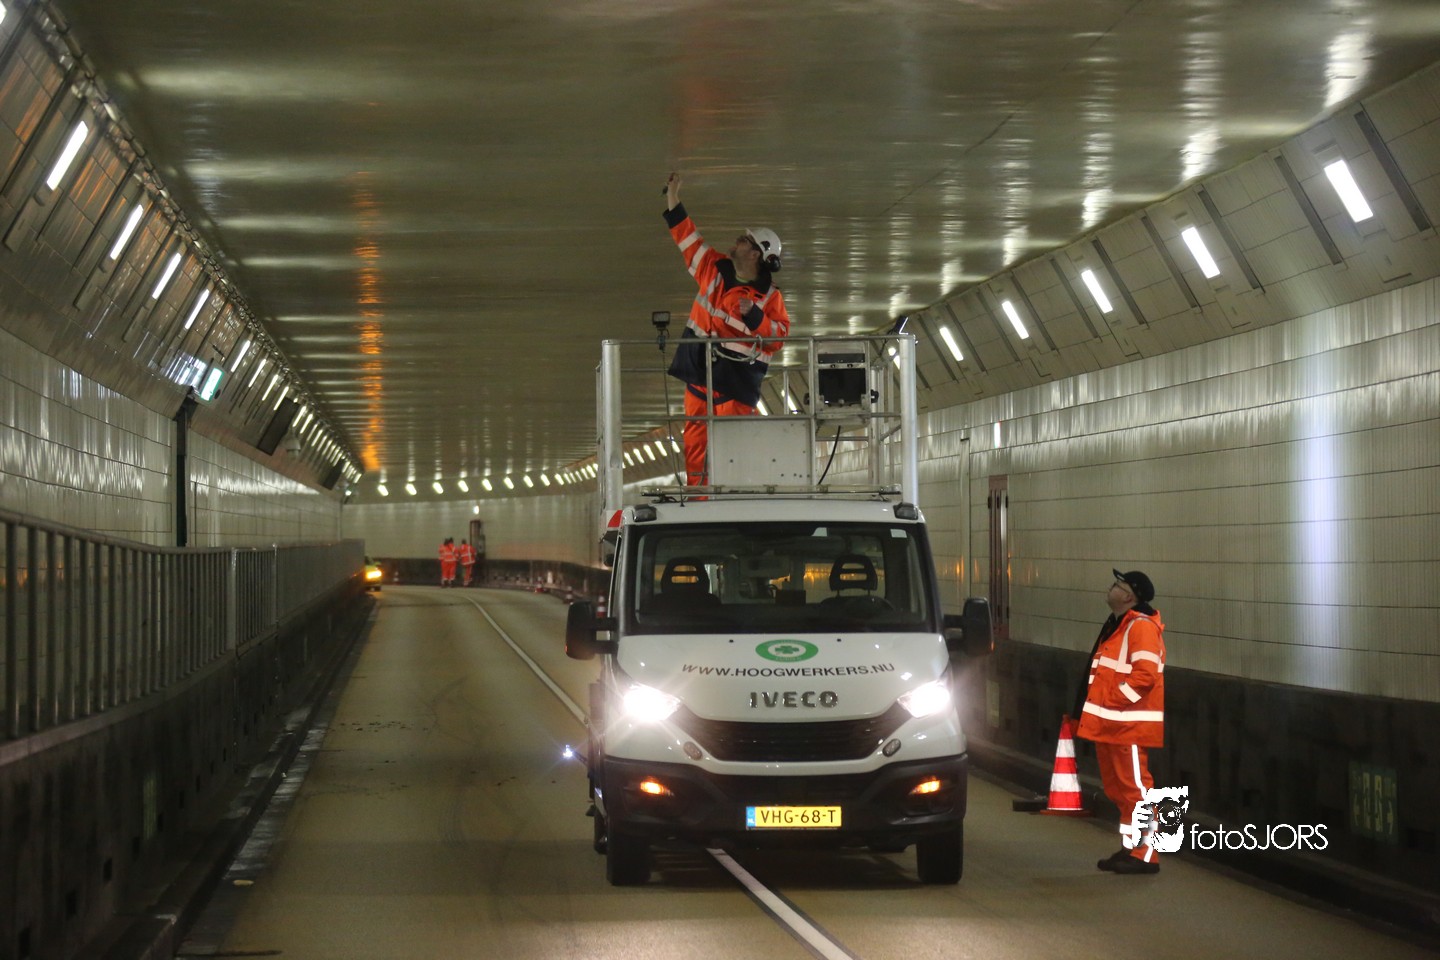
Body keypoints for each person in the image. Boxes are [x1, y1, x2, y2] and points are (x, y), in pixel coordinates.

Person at [663, 172, 791, 486]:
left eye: (744, 241)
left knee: (737, 448)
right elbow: (687, 238)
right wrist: (673, 197)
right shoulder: (714, 269)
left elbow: (779, 338)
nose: (737, 241)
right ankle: (698, 497)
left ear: (756, 254)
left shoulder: (769, 298)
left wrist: (756, 318)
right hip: (699, 377)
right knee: (695, 443)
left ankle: (740, 495)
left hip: (735, 385)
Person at [1074, 568, 1166, 875]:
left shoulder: (1140, 627)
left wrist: (1112, 700)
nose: (1111, 587)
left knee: (1136, 790)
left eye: (1117, 584)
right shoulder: (1119, 625)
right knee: (1120, 791)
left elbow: (1145, 675)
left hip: (1128, 725)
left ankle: (1146, 854)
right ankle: (1131, 848)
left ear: (1128, 596)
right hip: (1112, 725)